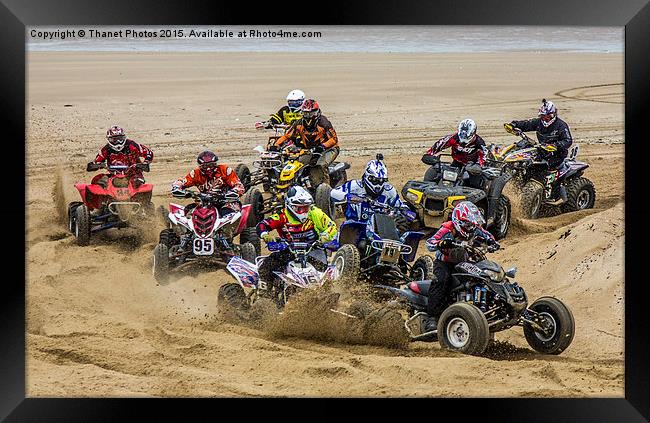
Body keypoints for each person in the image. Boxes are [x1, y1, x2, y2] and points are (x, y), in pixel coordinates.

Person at [423, 201, 500, 330]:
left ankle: (483, 310)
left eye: (472, 224)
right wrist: (442, 243)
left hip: (464, 262)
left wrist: (493, 242)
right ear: (458, 221)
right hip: (444, 263)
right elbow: (430, 243)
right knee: (441, 280)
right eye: (467, 224)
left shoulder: (475, 229)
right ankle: (432, 318)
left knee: (480, 279)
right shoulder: (448, 228)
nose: (470, 227)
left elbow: (488, 236)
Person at [256, 186, 338, 289]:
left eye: (306, 207)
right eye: (299, 208)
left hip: (314, 249)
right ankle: (264, 294)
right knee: (266, 266)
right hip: (288, 250)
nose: (304, 211)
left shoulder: (314, 212)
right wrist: (266, 236)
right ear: (290, 206)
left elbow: (331, 226)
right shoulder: (282, 215)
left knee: (326, 274)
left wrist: (325, 238)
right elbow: (262, 225)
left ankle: (326, 294)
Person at [331, 155, 414, 230]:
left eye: (381, 181)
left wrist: (403, 216)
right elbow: (331, 193)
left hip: (381, 230)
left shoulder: (389, 191)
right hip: (355, 228)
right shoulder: (354, 186)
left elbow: (402, 207)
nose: (378, 184)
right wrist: (348, 197)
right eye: (374, 180)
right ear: (367, 177)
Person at [271, 99, 340, 186]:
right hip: (309, 150)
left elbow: (334, 139)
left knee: (319, 165)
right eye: (305, 113)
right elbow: (287, 136)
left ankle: (325, 189)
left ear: (317, 112)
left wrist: (322, 147)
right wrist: (276, 145)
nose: (308, 116)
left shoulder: (323, 123)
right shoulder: (299, 123)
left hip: (330, 149)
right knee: (296, 163)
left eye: (310, 113)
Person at [171, 150, 245, 217]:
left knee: (227, 213)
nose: (208, 169)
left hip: (227, 201)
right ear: (200, 166)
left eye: (211, 165)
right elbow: (183, 181)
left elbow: (239, 185)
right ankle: (186, 231)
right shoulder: (195, 173)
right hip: (205, 204)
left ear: (215, 164)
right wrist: (176, 187)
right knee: (188, 211)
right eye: (205, 166)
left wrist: (234, 191)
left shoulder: (225, 170)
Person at [506, 99, 573, 170]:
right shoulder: (538, 122)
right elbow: (526, 124)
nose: (545, 118)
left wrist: (555, 145)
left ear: (553, 114)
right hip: (542, 150)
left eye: (547, 116)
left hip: (557, 154)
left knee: (538, 166)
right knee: (525, 148)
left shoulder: (561, 125)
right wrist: (514, 124)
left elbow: (568, 140)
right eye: (543, 116)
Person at [87, 125, 154, 188]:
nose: (118, 142)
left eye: (120, 138)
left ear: (124, 137)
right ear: (109, 140)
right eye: (115, 140)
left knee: (138, 182)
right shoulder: (105, 150)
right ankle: (99, 197)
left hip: (133, 174)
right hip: (114, 176)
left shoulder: (132, 145)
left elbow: (148, 152)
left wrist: (145, 163)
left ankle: (142, 198)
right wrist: (96, 165)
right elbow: (96, 162)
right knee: (97, 179)